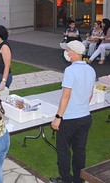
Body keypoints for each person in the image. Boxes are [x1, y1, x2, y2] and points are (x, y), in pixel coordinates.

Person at [50, 41, 96, 183]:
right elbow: (90, 94)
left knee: (63, 151)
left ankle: (65, 179)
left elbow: (66, 95)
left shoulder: (70, 70)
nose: (67, 53)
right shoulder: (90, 70)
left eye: (68, 50)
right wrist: (81, 106)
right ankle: (78, 178)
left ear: (75, 53)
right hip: (85, 117)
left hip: (69, 119)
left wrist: (58, 117)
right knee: (79, 150)